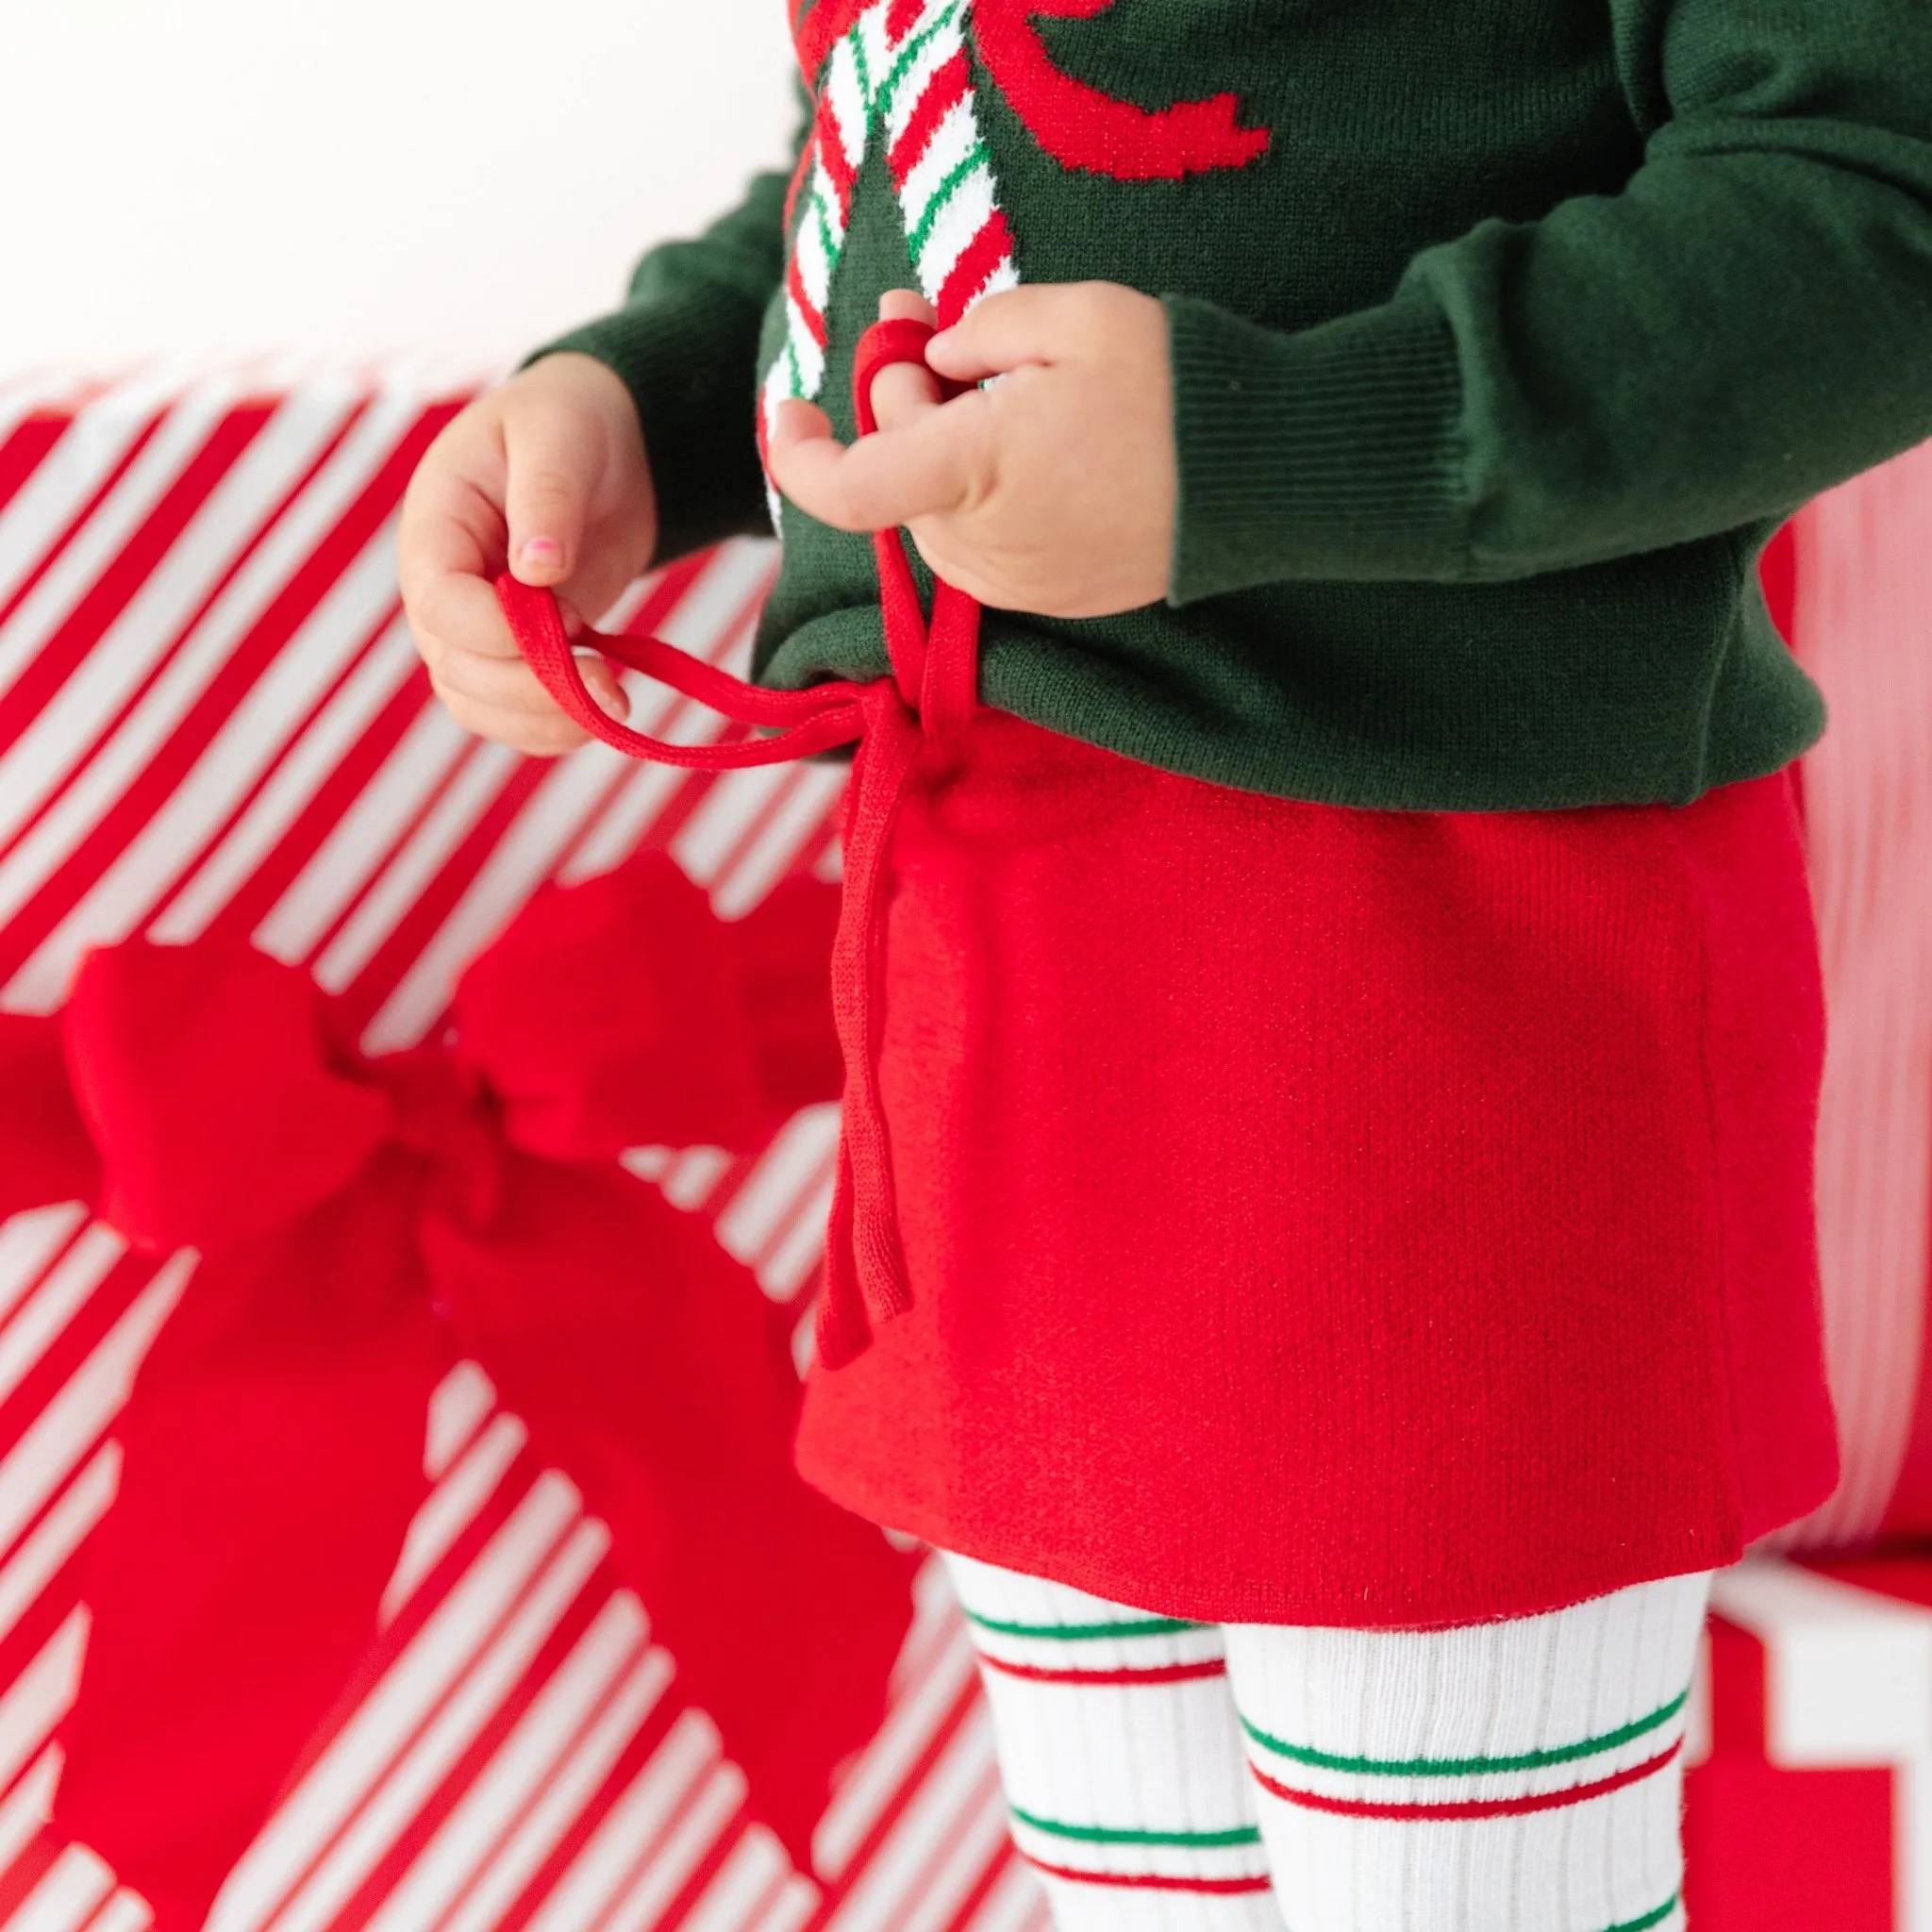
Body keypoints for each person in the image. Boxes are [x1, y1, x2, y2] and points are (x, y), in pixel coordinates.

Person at [397, 3, 1932, 1925]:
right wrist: (648, 403)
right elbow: (905, 127)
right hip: (994, 960)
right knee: (1132, 1871)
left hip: (1446, 989)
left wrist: (1273, 439)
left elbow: (1871, 192)